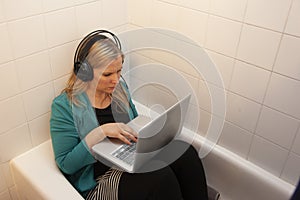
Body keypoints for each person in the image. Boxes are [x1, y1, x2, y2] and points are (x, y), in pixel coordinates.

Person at [50, 30, 208, 200]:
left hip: (129, 158)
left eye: (119, 71)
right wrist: (101, 132)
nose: (116, 80)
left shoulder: (119, 91)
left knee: (184, 153)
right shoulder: (64, 106)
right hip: (100, 180)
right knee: (160, 177)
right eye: (108, 74)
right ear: (85, 72)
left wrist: (153, 136)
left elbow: (135, 125)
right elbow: (66, 164)